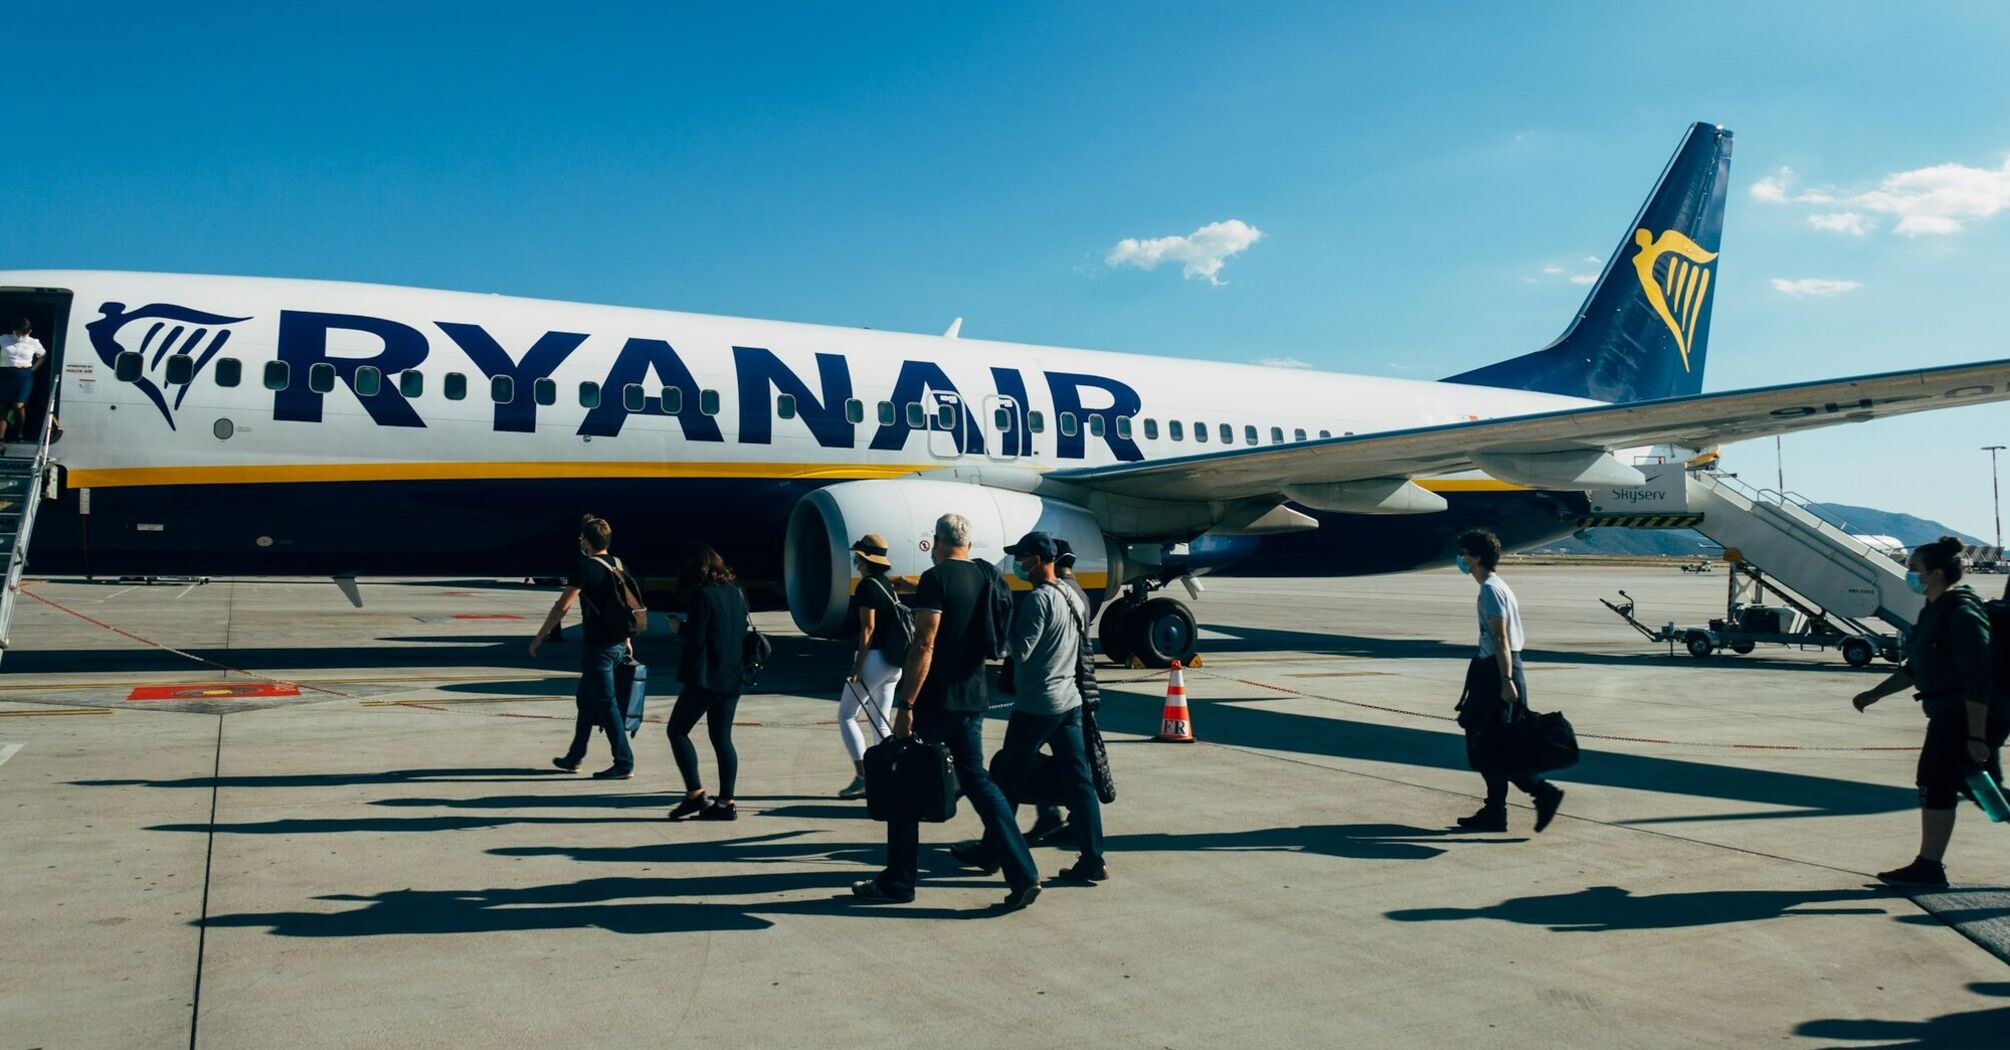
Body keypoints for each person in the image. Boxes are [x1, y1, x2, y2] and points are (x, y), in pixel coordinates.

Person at [853, 513, 1041, 910]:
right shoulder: (984, 576)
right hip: (974, 697)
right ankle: (1023, 871)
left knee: (904, 786)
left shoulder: (937, 578)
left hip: (936, 701)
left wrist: (906, 703)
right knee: (979, 782)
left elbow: (925, 643)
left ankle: (899, 881)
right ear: (968, 544)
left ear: (935, 542)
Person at [1850, 537, 2008, 888]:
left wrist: (1977, 735)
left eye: (1913, 570)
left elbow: (1978, 678)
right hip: (1950, 714)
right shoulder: (1934, 611)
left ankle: (1929, 867)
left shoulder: (1963, 614)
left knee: (1945, 785)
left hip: (1967, 715)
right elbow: (1915, 668)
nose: (1908, 575)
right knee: (1975, 793)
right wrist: (1874, 694)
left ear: (1935, 574)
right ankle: (1929, 866)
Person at [953, 531, 1107, 882]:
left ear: (1038, 560)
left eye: (1022, 559)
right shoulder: (1073, 595)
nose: (1018, 565)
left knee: (1005, 779)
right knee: (1080, 783)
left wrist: (995, 623)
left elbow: (1020, 651)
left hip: (1038, 705)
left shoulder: (1038, 600)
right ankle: (1093, 859)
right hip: (1069, 701)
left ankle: (991, 852)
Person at [1451, 528, 1564, 833]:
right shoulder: (1497, 586)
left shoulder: (1490, 589)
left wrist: (1506, 680)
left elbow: (1500, 637)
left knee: (1490, 744)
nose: (1460, 559)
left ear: (1476, 557)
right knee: (1495, 745)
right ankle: (1497, 811)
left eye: (1463, 554)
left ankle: (1539, 794)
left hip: (1498, 671)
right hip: (1499, 668)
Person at [531, 514, 637, 779]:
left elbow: (562, 606)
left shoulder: (586, 567)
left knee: (606, 704)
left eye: (581, 539)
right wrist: (627, 640)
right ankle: (574, 756)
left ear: (588, 543)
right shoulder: (618, 564)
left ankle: (624, 761)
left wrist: (540, 636)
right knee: (586, 701)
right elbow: (625, 605)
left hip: (599, 648)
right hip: (616, 645)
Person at [665, 543, 749, 822]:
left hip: (707, 677)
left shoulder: (703, 595)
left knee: (677, 730)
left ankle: (694, 793)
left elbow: (697, 637)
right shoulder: (737, 592)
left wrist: (680, 628)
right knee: (722, 738)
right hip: (733, 676)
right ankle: (726, 802)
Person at [1026, 539, 1094, 844]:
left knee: (1015, 766)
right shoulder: (1077, 595)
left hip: (1051, 695)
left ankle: (995, 847)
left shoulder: (1052, 595)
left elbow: (1024, 649)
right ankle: (1080, 834)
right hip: (1074, 695)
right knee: (1076, 770)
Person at [837, 534, 904, 799]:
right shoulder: (887, 584)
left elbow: (868, 628)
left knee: (846, 716)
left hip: (873, 659)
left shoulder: (866, 587)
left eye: (857, 556)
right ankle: (888, 776)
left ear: (864, 558)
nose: (855, 559)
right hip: (893, 663)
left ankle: (862, 776)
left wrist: (858, 665)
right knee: (880, 721)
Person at [0, 319, 46, 442]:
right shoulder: (4, 339)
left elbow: (42, 356)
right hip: (5, 374)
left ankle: (19, 433)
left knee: (18, 405)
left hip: (24, 375)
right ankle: (1, 437)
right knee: (2, 407)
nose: (20, 335)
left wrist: (33, 369)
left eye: (23, 333)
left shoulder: (34, 342)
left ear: (29, 331)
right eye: (18, 332)